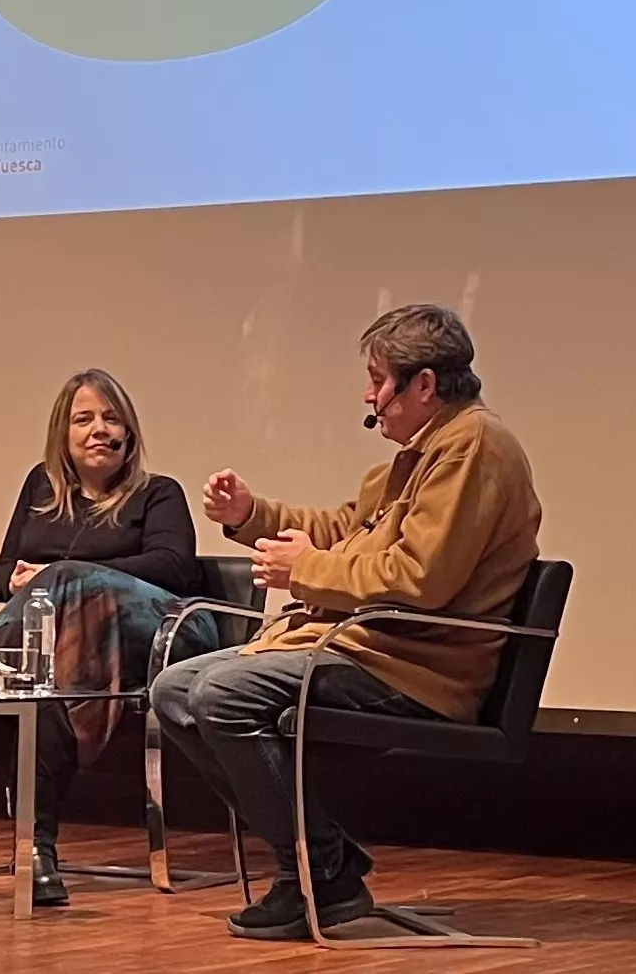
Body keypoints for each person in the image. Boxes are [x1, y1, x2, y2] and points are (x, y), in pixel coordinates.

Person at [151, 305, 542, 941]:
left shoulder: (470, 448)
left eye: (378, 379)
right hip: (372, 650)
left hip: (416, 669)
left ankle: (315, 871)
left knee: (222, 695)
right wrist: (253, 514)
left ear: (424, 384)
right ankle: (322, 865)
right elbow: (346, 529)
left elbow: (420, 578)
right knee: (173, 690)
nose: (368, 395)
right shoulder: (423, 452)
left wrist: (305, 571)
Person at [0, 368, 209, 907]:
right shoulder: (41, 488)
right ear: (63, 432)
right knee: (43, 690)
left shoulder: (158, 493)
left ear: (129, 432)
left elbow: (174, 567)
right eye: (84, 419)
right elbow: (4, 572)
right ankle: (36, 852)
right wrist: (22, 582)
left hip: (162, 633)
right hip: (67, 645)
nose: (99, 429)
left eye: (112, 419)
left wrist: (64, 575)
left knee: (60, 593)